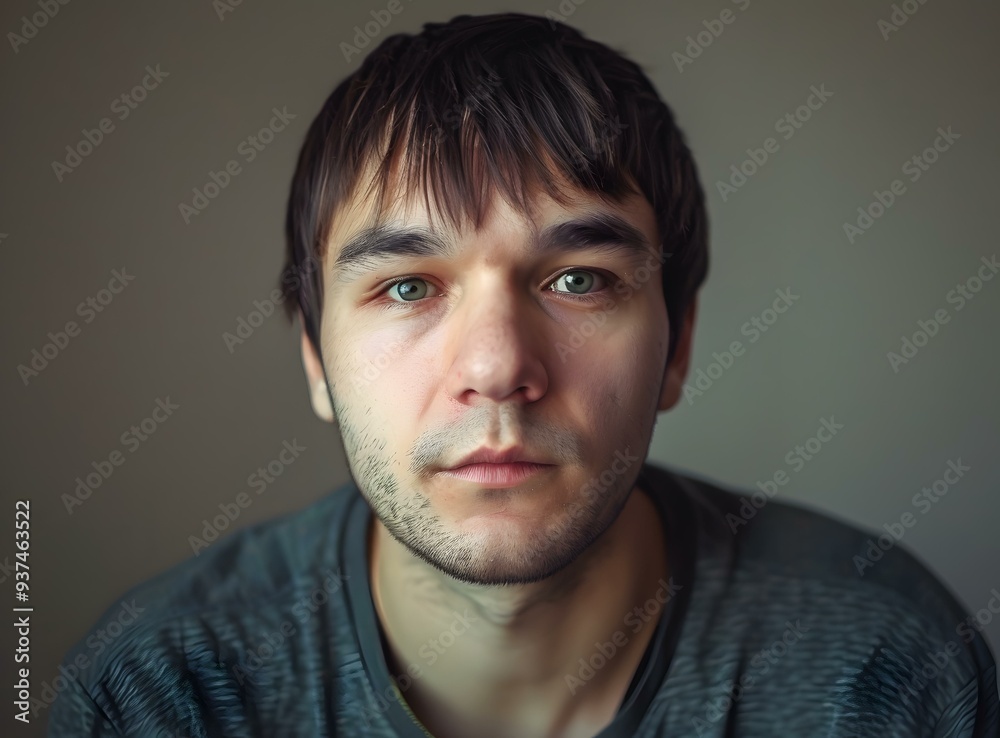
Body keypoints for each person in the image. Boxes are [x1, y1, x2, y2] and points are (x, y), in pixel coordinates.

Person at [49, 12, 998, 738]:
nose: (498, 368)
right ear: (316, 360)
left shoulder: (879, 666)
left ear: (676, 346)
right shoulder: (160, 691)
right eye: (409, 286)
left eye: (578, 280)